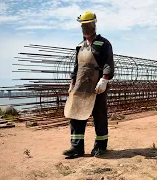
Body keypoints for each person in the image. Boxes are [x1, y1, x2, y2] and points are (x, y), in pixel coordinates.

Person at [62, 11, 114, 158]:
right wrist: (72, 83)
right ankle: (76, 148)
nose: (85, 27)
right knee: (76, 115)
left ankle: (100, 146)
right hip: (80, 86)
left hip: (97, 86)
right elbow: (76, 67)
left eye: (88, 24)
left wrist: (104, 79)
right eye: (83, 25)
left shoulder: (103, 43)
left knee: (99, 116)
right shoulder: (80, 46)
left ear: (94, 24)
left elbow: (108, 63)